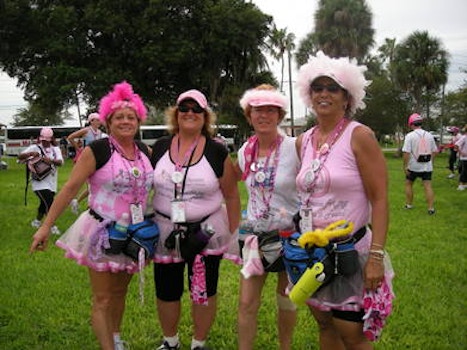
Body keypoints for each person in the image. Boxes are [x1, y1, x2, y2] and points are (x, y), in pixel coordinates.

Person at [29, 81, 154, 350]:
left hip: (134, 234)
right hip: (102, 233)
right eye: (119, 117)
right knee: (103, 298)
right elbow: (70, 188)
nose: (125, 121)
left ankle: (116, 339)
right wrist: (45, 227)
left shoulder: (144, 151)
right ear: (108, 121)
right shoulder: (97, 150)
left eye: (131, 117)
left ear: (138, 120)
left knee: (120, 292)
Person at [294, 51, 394, 349]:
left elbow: (380, 198)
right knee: (325, 325)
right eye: (318, 87)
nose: (324, 94)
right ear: (308, 94)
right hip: (313, 254)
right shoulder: (303, 140)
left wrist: (375, 257)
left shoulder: (359, 136)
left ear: (347, 97)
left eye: (332, 88)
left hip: (351, 253)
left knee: (352, 335)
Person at [150, 89, 240, 350]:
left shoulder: (216, 151)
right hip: (165, 229)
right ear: (176, 114)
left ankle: (198, 343)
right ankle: (170, 342)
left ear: (205, 116)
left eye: (196, 109)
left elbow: (232, 196)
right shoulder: (160, 147)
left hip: (205, 232)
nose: (190, 113)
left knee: (204, 291)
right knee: (166, 289)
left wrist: (234, 236)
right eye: (184, 108)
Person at [235, 84, 299, 350]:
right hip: (254, 235)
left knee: (287, 299)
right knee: (247, 302)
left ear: (279, 115)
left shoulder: (295, 148)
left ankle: (285, 347)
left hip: (289, 235)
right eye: (258, 110)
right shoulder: (243, 152)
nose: (264, 115)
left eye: (270, 110)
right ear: (249, 115)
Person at [18, 127, 64, 234]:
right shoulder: (34, 147)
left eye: (47, 140)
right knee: (50, 203)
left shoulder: (55, 149)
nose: (44, 142)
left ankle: (36, 221)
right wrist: (30, 154)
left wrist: (50, 160)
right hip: (38, 181)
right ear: (40, 138)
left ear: (51, 139)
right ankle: (52, 226)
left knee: (44, 204)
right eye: (43, 139)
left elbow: (60, 162)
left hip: (52, 181)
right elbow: (19, 157)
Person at [68, 112, 108, 213]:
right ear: (91, 121)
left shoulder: (99, 133)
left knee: (94, 184)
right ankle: (89, 207)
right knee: (91, 184)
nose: (99, 122)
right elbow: (70, 137)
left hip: (96, 160)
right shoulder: (86, 130)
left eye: (100, 120)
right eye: (97, 120)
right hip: (86, 160)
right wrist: (79, 149)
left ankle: (78, 202)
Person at [402, 113, 438, 214]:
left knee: (409, 184)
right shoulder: (429, 135)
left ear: (411, 124)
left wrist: (405, 166)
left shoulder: (410, 136)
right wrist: (431, 161)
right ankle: (431, 208)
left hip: (413, 166)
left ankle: (409, 205)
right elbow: (435, 151)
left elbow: (406, 152)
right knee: (428, 185)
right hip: (427, 166)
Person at [454, 125, 467, 190]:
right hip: (465, 158)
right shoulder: (464, 137)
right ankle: (461, 185)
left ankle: (465, 184)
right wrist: (461, 153)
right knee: (464, 171)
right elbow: (456, 145)